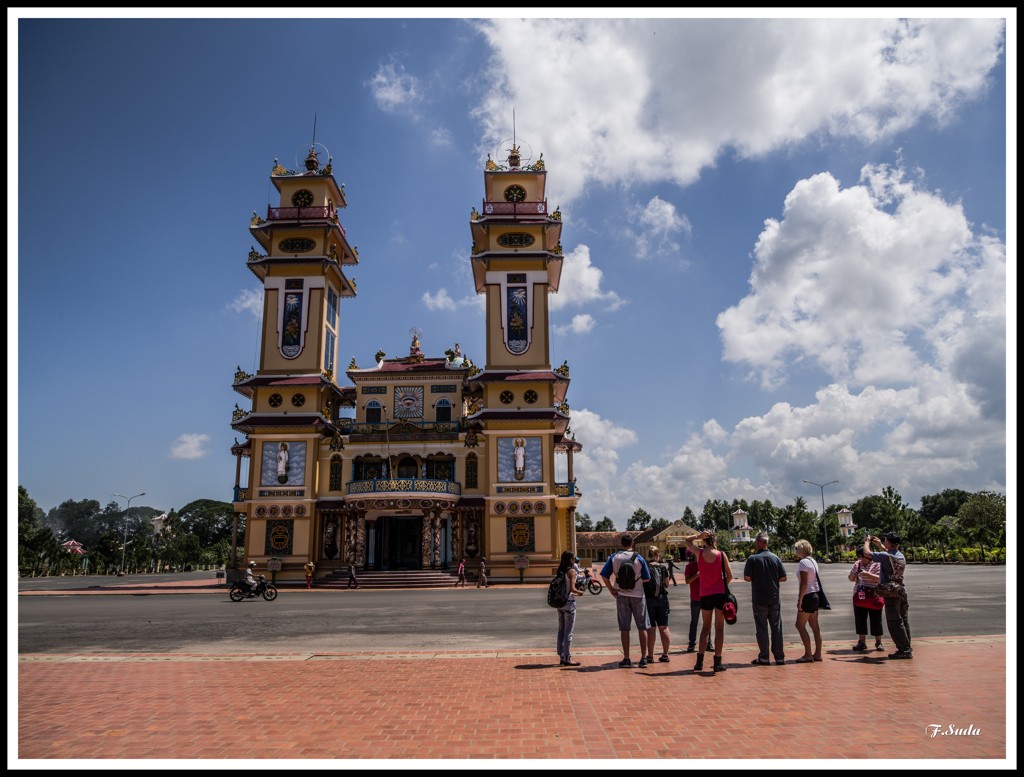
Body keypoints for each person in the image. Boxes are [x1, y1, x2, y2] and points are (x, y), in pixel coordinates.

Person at [682, 530, 733, 673]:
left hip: (705, 594)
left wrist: (698, 536)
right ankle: (717, 661)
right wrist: (722, 584)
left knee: (705, 628)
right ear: (715, 541)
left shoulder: (699, 554)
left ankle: (699, 661)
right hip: (720, 594)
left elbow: (687, 541)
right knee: (719, 628)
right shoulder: (721, 555)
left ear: (704, 541)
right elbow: (730, 576)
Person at [599, 533, 653, 668]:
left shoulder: (614, 557)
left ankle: (626, 658)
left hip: (621, 595)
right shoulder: (639, 557)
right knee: (642, 627)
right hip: (638, 595)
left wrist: (612, 589)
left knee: (624, 628)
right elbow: (647, 578)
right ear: (632, 543)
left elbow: (604, 576)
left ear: (621, 543)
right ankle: (643, 658)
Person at [743, 531, 788, 665]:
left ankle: (764, 657)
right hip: (774, 597)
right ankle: (779, 656)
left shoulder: (752, 559)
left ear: (758, 542)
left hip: (759, 598)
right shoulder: (776, 558)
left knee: (761, 628)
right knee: (776, 627)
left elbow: (747, 577)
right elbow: (783, 577)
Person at [866, 532, 912, 659]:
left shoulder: (886, 556)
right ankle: (907, 647)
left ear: (888, 542)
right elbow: (889, 553)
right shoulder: (899, 555)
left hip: (891, 592)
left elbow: (867, 553)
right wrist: (880, 545)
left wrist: (867, 541)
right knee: (903, 621)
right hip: (901, 590)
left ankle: (904, 650)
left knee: (894, 622)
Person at [848, 547, 884, 652]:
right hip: (860, 595)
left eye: (862, 556)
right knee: (860, 619)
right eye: (859, 557)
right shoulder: (857, 564)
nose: (861, 559)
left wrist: (867, 575)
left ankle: (878, 642)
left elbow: (880, 579)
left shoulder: (877, 564)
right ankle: (861, 641)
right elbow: (850, 578)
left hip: (874, 595)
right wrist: (854, 575)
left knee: (876, 619)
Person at [793, 539, 823, 663]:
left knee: (799, 625)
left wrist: (800, 599)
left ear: (802, 550)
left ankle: (808, 654)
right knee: (815, 626)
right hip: (815, 594)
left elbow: (804, 583)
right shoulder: (813, 561)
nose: (795, 551)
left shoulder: (803, 563)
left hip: (808, 595)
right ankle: (818, 653)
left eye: (796, 549)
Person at [643, 547, 672, 663]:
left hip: (649, 600)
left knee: (651, 629)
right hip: (662, 599)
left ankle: (650, 656)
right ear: (657, 555)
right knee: (664, 627)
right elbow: (667, 584)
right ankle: (665, 655)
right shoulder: (663, 568)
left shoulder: (645, 568)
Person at [555, 550, 581, 666]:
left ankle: (561, 656)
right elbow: (573, 589)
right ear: (571, 559)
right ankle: (568, 657)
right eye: (573, 559)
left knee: (561, 630)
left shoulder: (560, 570)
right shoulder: (571, 571)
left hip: (560, 604)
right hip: (569, 603)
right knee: (568, 632)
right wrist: (580, 592)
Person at [683, 551, 712, 653]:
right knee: (694, 622)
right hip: (695, 598)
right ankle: (691, 644)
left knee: (707, 622)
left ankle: (709, 643)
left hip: (706, 596)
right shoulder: (689, 566)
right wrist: (697, 574)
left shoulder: (705, 564)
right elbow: (687, 581)